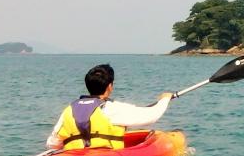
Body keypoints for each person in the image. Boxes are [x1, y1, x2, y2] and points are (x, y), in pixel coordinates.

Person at [45, 63, 175, 150]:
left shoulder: (69, 109)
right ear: (110, 86)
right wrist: (165, 99)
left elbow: (52, 143)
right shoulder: (111, 108)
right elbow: (151, 116)